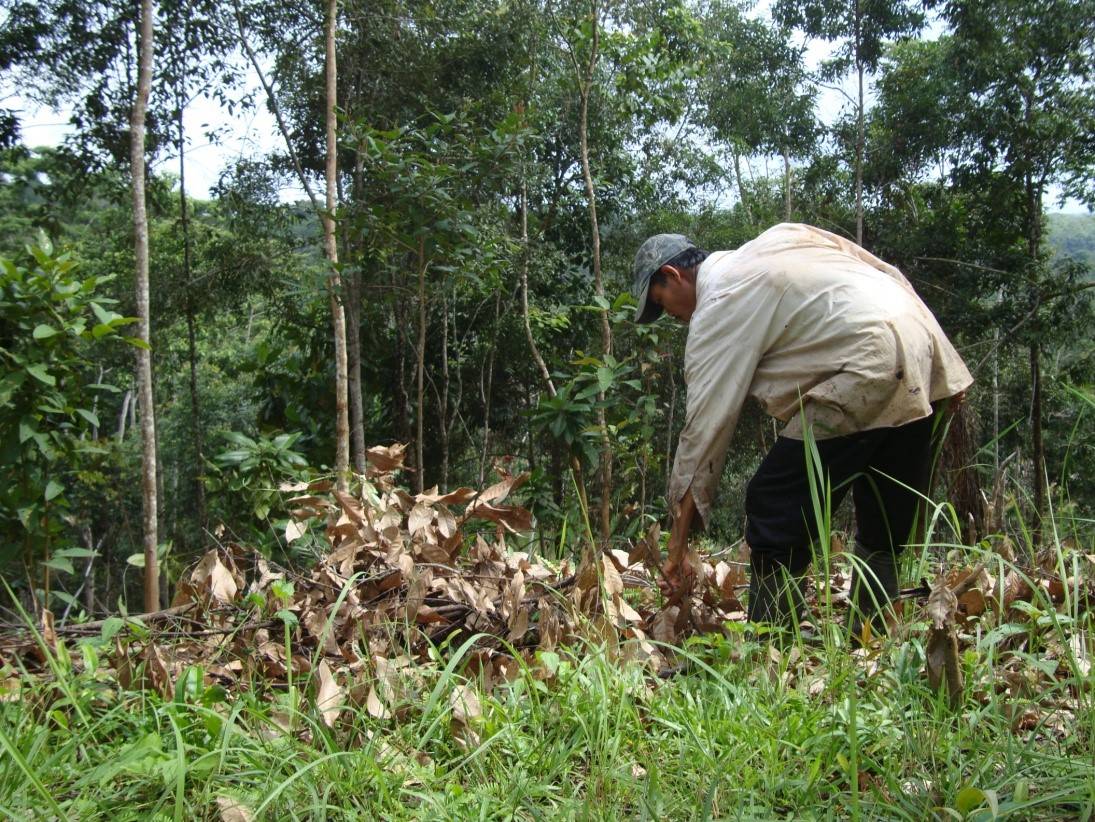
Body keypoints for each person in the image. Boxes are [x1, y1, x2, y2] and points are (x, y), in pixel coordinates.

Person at [631, 223, 973, 635]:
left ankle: (773, 638)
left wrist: (677, 545)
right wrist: (946, 368)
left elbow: (703, 432)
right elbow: (883, 271)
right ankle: (871, 637)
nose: (670, 314)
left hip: (866, 362)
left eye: (661, 301)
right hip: (919, 350)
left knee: (773, 501)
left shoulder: (718, 302)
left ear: (673, 275)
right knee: (884, 509)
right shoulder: (780, 238)